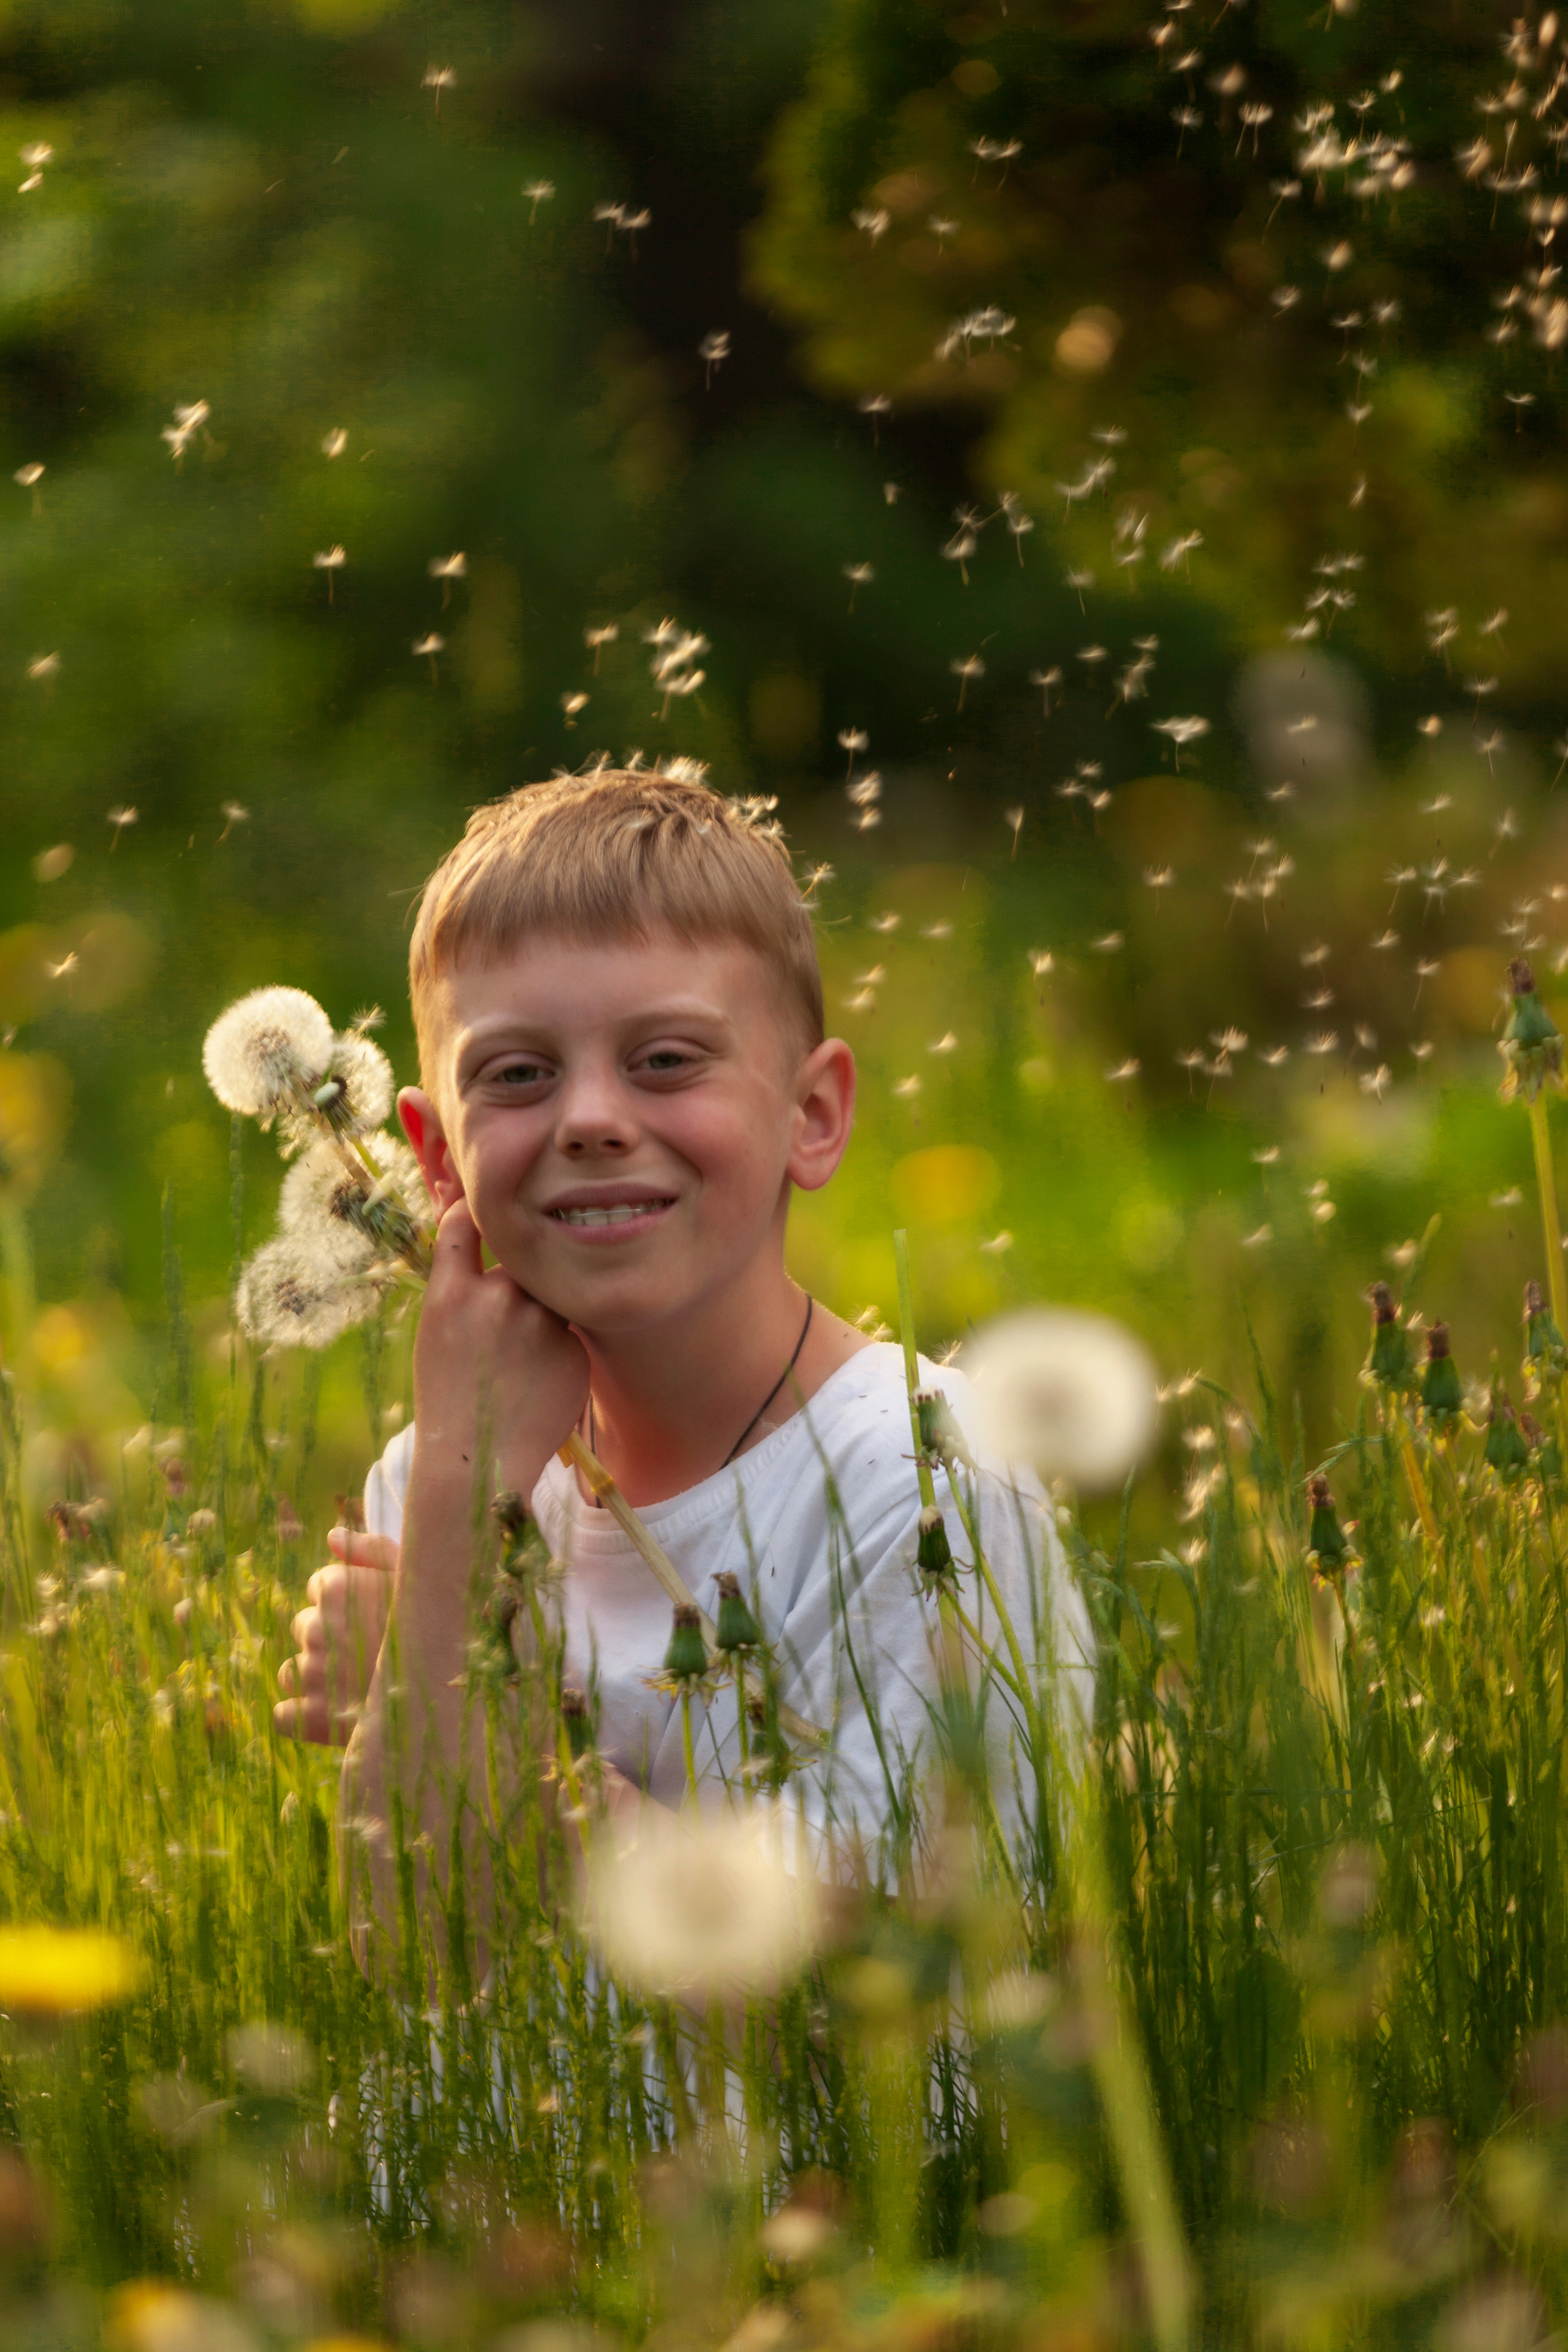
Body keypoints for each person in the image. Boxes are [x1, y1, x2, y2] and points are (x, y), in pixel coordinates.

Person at [273, 765, 1091, 1961]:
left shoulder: (922, 1482)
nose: (590, 1118)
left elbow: (889, 1989)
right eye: (515, 1074)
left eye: (664, 1060)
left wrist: (446, 1680)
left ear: (811, 1115)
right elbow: (418, 1961)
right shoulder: (450, 1472)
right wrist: (451, 1528)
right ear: (436, 1158)